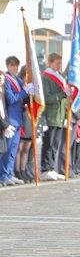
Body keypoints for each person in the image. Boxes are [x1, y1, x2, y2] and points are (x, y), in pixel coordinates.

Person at [40, 53, 69, 181]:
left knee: (56, 144)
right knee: (49, 143)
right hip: (51, 115)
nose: (59, 66)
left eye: (60, 63)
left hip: (60, 115)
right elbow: (47, 98)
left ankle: (51, 167)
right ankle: (45, 168)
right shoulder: (46, 78)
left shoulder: (60, 77)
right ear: (50, 62)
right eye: (57, 63)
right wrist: (62, 94)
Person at [0, 56, 28, 186]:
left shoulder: (17, 79)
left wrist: (29, 93)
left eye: (16, 65)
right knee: (7, 149)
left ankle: (9, 173)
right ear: (7, 66)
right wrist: (24, 92)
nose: (15, 68)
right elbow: (11, 99)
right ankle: (4, 174)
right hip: (10, 117)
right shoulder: (6, 79)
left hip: (18, 118)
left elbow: (22, 98)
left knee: (13, 150)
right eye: (12, 65)